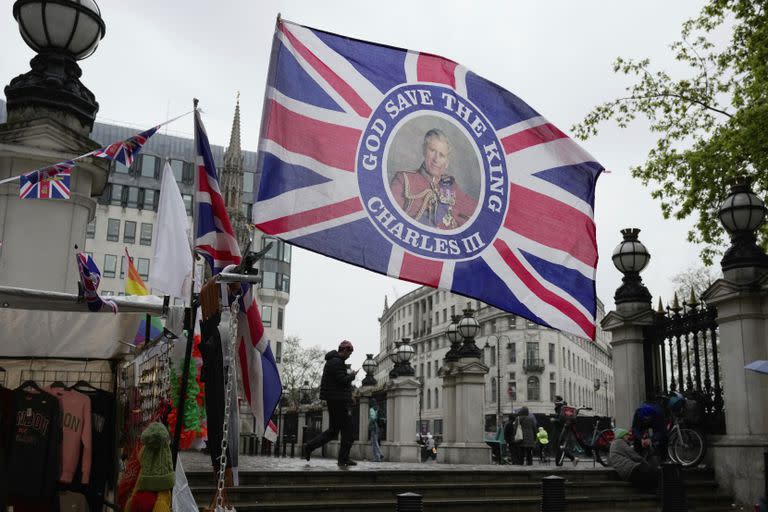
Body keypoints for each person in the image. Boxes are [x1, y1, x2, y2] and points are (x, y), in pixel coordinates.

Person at [389, 129, 477, 229]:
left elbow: (479, 212)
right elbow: (391, 218)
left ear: (446, 162)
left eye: (442, 155)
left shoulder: (451, 186)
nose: (436, 159)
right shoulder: (404, 179)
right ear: (424, 151)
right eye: (432, 151)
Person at [303, 340, 359, 467]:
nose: (349, 355)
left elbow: (338, 385)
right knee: (348, 431)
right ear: (344, 350)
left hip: (335, 400)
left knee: (333, 431)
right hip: (338, 402)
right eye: (349, 353)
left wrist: (349, 397)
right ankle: (343, 459)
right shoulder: (336, 362)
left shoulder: (334, 361)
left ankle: (309, 446)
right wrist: (352, 376)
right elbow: (342, 381)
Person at [608, 428, 660, 493]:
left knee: (653, 475)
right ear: (622, 435)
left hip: (626, 472)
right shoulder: (619, 442)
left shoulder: (615, 444)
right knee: (656, 473)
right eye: (627, 435)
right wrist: (646, 464)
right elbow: (634, 456)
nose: (628, 436)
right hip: (631, 469)